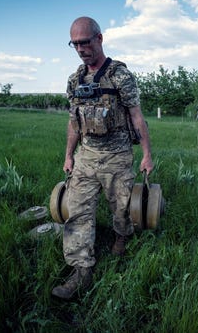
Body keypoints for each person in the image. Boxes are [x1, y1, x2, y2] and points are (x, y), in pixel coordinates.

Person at [52, 17, 154, 300]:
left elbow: (136, 116)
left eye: (85, 42)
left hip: (117, 156)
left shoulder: (120, 76)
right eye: (75, 44)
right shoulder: (74, 80)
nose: (81, 48)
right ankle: (81, 270)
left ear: (99, 38)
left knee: (122, 209)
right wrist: (69, 156)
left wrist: (146, 154)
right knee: (77, 211)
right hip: (86, 157)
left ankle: (122, 235)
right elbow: (74, 123)